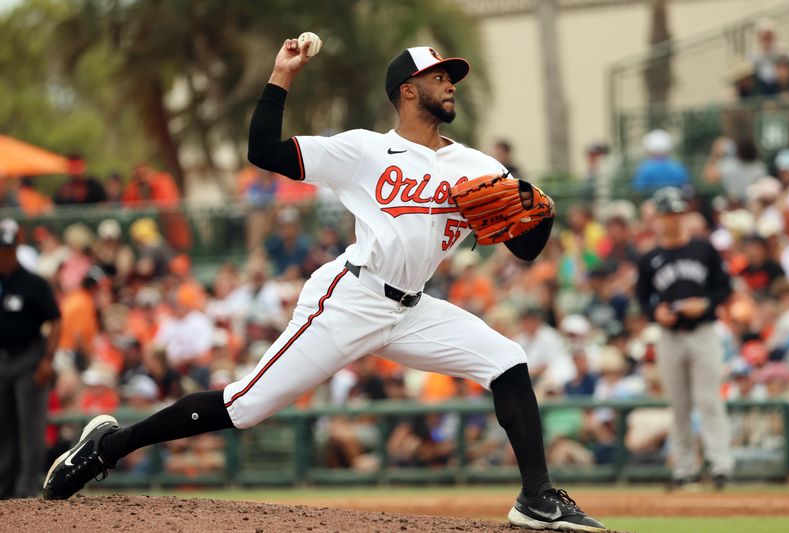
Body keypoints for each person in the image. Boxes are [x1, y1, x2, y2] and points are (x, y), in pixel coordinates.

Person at [42, 39, 606, 531]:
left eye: (450, 77)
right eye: (438, 77)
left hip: (413, 311)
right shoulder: (364, 150)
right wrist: (281, 76)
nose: (449, 84)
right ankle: (104, 449)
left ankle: (536, 498)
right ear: (408, 91)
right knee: (246, 405)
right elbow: (261, 151)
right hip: (351, 298)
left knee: (507, 359)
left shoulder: (478, 167)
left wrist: (541, 215)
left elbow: (524, 249)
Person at [635, 187, 734, 490]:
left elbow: (724, 288)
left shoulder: (703, 249)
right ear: (658, 218)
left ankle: (720, 466)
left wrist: (705, 303)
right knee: (678, 405)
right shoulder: (651, 257)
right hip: (670, 336)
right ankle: (684, 468)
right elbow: (642, 298)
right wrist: (656, 313)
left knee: (709, 401)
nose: (674, 219)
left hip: (703, 332)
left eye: (679, 213)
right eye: (669, 214)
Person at [0, 218, 62, 498]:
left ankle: (25, 490)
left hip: (29, 358)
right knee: (4, 426)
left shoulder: (33, 283)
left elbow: (56, 321)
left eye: (8, 249)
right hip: (2, 361)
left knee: (30, 427)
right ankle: (5, 488)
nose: (4, 255)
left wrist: (48, 359)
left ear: (15, 249)